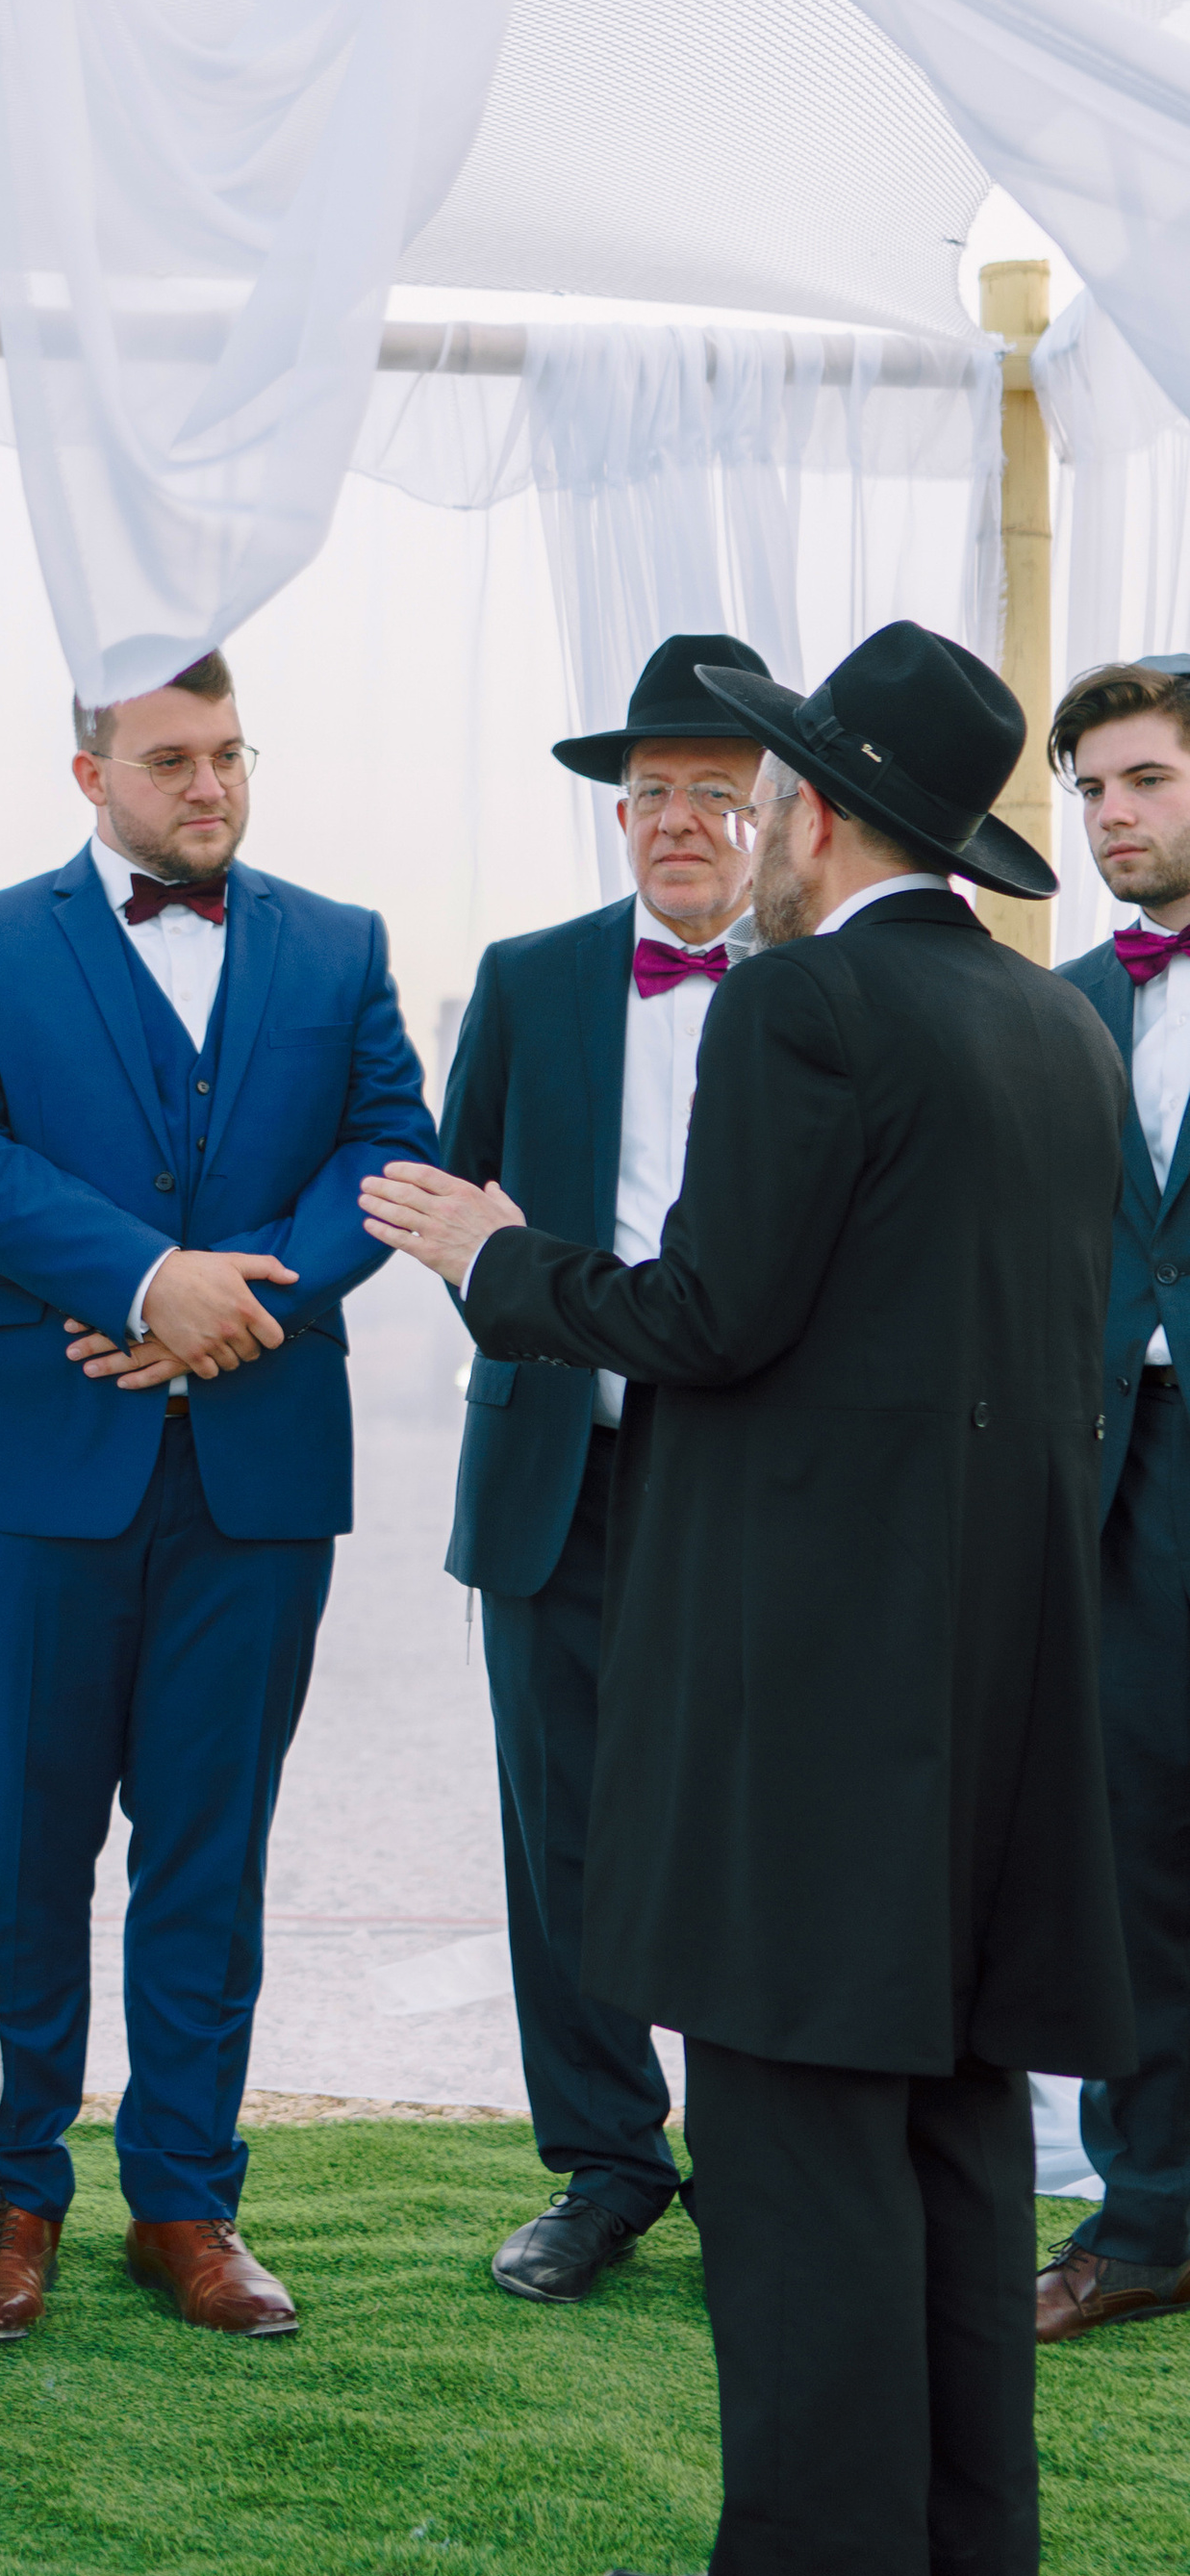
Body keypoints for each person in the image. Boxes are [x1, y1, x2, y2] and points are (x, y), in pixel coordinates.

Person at [365, 622, 1133, 2576]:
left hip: (810, 1671)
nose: (746, 821)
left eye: (765, 788)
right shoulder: (1050, 1028)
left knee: (791, 2130)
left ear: (811, 809)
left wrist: (493, 1263)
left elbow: (710, 1319)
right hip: (991, 1664)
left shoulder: (800, 1004)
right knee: (953, 2122)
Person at [0, 650, 436, 2346]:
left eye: (229, 755)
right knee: (20, 1841)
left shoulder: (339, 945)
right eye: (173, 760)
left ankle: (189, 2204)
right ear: (91, 777)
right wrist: (145, 1280)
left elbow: (388, 1149)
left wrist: (235, 1305)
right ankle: (8, 2191)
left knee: (212, 1840)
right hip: (31, 1460)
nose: (210, 786)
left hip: (258, 1458)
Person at [439, 633, 770, 2306]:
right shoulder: (529, 976)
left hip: (758, 1484)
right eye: (654, 794)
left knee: (751, 1823)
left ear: (777, 811)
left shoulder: (825, 984)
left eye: (718, 792)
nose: (682, 822)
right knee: (557, 1823)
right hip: (555, 1470)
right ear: (618, 817)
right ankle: (603, 2165)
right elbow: (455, 1203)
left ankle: (766, 2166)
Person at [1040, 655, 1190, 2342]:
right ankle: (1144, 2221)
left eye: (1142, 779)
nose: (1109, 817)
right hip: (1110, 1479)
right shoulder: (1065, 1003)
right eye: (1088, 791)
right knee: (1134, 1856)